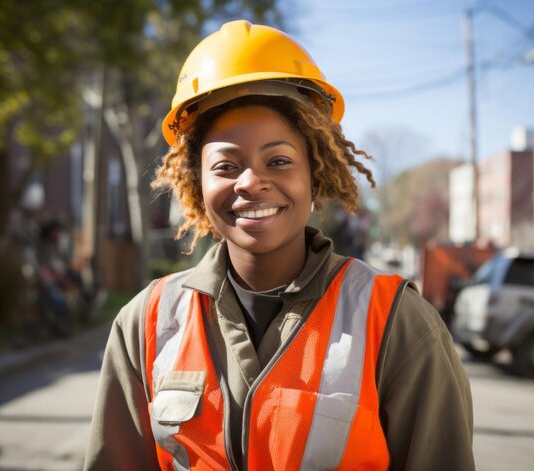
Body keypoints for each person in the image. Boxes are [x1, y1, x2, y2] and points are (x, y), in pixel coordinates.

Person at [84, 20, 474, 471]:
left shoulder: (397, 324)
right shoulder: (145, 323)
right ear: (196, 182)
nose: (251, 182)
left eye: (279, 160)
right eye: (226, 165)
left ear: (315, 174)